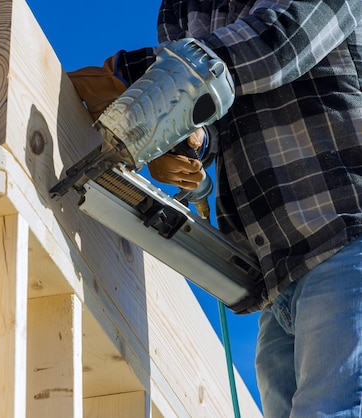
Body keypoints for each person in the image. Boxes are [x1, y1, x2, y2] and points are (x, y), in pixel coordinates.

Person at [69, 1, 362, 416]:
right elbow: (213, 110)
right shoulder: (187, 9)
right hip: (279, 272)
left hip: (347, 234)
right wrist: (181, 140)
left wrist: (130, 76)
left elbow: (275, 43)